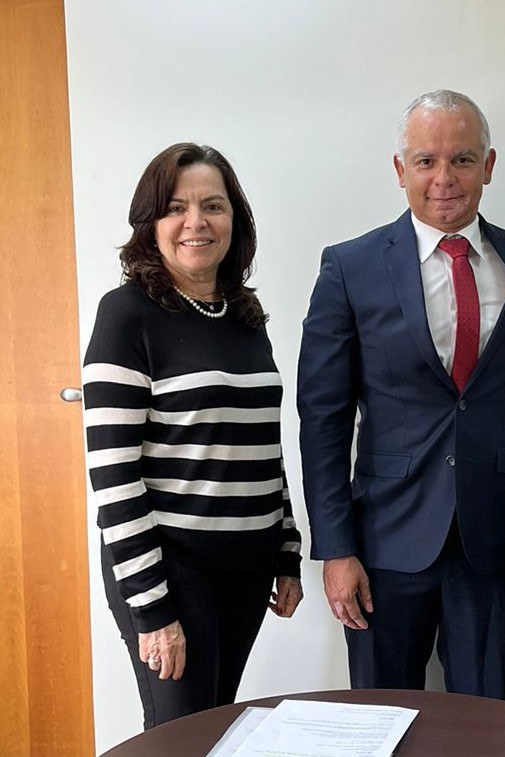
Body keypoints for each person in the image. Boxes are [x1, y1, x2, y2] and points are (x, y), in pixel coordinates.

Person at [297, 90, 505, 699]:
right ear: (400, 169)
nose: (444, 178)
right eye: (426, 161)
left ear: (488, 166)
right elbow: (322, 419)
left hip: (491, 542)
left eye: (462, 160)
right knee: (381, 720)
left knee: (486, 726)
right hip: (382, 542)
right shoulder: (349, 266)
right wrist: (335, 549)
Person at [82, 143, 303, 729]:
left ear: (236, 219)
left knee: (215, 729)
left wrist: (286, 550)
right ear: (150, 223)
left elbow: (260, 446)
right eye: (176, 207)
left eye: (213, 205)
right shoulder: (126, 314)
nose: (196, 222)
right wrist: (153, 608)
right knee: (177, 738)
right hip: (172, 569)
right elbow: (113, 473)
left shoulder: (244, 315)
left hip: (247, 564)